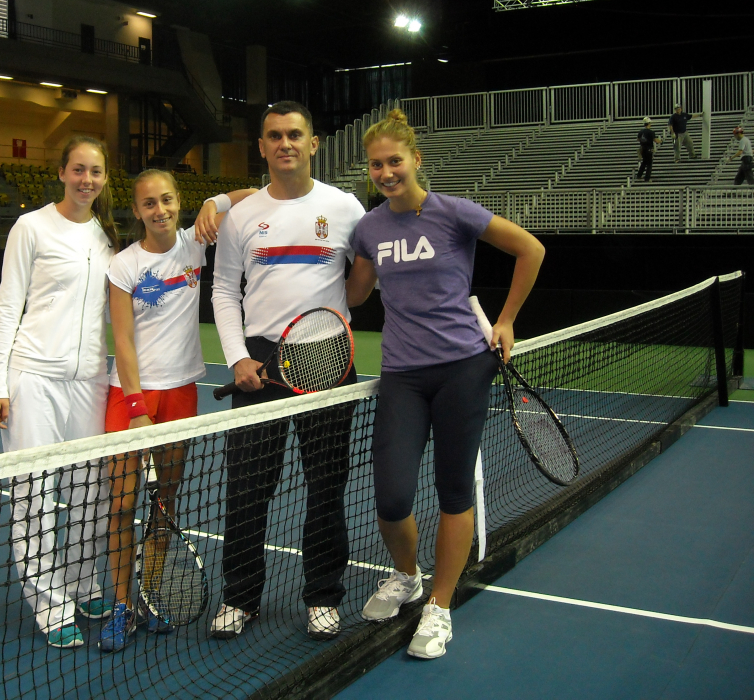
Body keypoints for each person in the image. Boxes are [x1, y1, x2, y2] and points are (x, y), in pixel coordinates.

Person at [347, 109, 544, 660]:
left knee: (453, 491)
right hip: (402, 376)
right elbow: (355, 294)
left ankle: (439, 605)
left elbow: (531, 250)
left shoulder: (455, 212)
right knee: (391, 497)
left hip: (462, 369)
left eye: (394, 161)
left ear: (415, 160)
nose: (386, 172)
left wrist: (506, 321)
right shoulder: (369, 228)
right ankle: (408, 577)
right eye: (376, 165)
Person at [210, 100, 365, 641]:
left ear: (313, 143)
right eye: (274, 135)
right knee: (247, 488)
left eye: (294, 134)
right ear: (261, 146)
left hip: (327, 353)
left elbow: (365, 279)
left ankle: (323, 595)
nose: (285, 144)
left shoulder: (345, 207)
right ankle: (239, 596)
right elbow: (224, 289)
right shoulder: (241, 215)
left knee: (326, 485)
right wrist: (238, 357)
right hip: (259, 355)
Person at [100, 170, 255, 652]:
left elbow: (255, 194)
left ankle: (148, 596)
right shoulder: (123, 265)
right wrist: (136, 406)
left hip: (181, 394)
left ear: (178, 201)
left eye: (167, 200)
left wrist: (215, 201)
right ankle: (122, 605)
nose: (160, 210)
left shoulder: (194, 245)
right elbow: (122, 340)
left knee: (164, 505)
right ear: (137, 211)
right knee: (122, 504)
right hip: (130, 397)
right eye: (149, 203)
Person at [0, 135, 119, 649]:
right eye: (78, 169)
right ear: (62, 172)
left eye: (96, 171)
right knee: (34, 497)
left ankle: (84, 585)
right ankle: (50, 604)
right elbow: (8, 306)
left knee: (92, 492)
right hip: (34, 378)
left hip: (90, 381)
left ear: (104, 178)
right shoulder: (31, 227)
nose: (87, 180)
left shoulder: (106, 236)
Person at [636, 117, 661, 182]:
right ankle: (647, 178)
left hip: (643, 149)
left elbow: (638, 139)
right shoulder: (651, 132)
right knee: (649, 164)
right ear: (649, 123)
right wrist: (661, 141)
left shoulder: (641, 132)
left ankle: (639, 176)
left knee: (644, 163)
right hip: (649, 149)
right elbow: (655, 140)